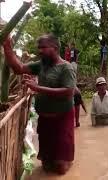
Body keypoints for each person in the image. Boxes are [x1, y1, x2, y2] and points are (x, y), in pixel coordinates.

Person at [3, 34, 76, 175]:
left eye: (43, 47)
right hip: (44, 117)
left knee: (60, 169)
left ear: (55, 48)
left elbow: (68, 91)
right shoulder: (41, 65)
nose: (39, 50)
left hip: (62, 118)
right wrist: (8, 49)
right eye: (39, 47)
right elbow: (19, 68)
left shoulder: (66, 68)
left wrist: (37, 88)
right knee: (46, 165)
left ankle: (66, 160)